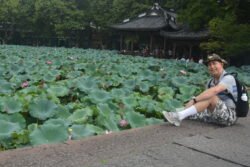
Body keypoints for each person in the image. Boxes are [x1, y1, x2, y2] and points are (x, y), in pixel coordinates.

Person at [162, 53, 238, 126]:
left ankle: (179, 116)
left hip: (229, 116)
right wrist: (192, 102)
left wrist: (194, 100)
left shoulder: (228, 78)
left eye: (214, 63)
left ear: (221, 64)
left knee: (210, 97)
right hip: (213, 114)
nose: (212, 66)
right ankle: (175, 114)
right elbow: (203, 99)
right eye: (209, 65)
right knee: (192, 109)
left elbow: (214, 91)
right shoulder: (210, 82)